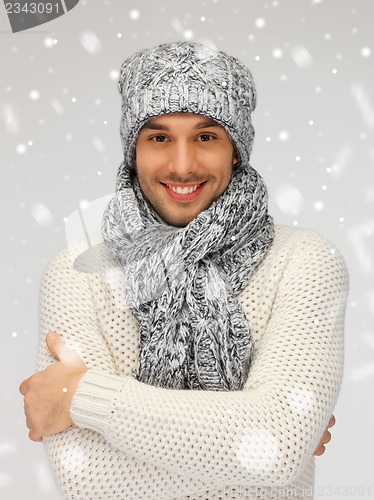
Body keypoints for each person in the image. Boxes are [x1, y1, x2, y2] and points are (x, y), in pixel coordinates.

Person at [19, 41, 348, 499]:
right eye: (158, 137)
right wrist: (247, 446)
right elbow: (90, 481)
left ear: (237, 149)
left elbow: (276, 447)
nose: (182, 165)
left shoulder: (304, 261)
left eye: (206, 136)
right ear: (132, 149)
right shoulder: (78, 273)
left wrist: (84, 397)